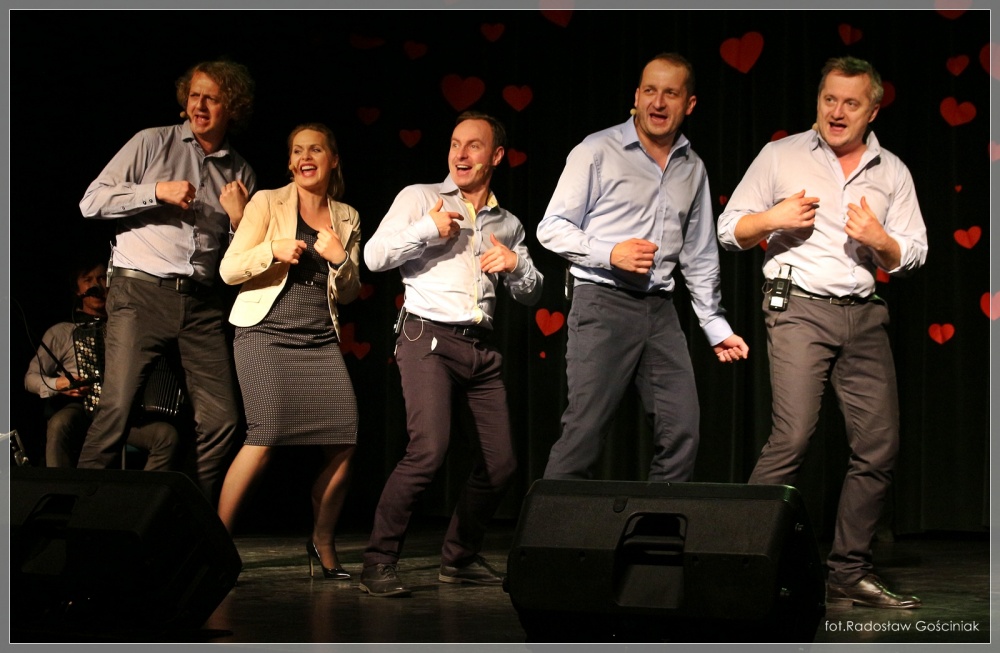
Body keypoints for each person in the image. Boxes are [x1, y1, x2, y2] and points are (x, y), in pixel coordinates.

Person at [717, 56, 927, 608]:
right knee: (793, 437)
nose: (837, 112)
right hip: (798, 309)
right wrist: (773, 219)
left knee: (879, 445)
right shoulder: (781, 155)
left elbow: (914, 253)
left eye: (850, 103)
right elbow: (728, 229)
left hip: (864, 313)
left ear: (872, 110)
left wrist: (882, 242)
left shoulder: (892, 171)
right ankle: (738, 561)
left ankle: (848, 571)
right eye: (829, 99)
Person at [537, 53, 748, 483]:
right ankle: (548, 528)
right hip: (601, 302)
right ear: (636, 96)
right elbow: (551, 227)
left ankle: (655, 524)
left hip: (660, 311)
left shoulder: (693, 168)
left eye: (670, 93)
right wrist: (610, 252)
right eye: (650, 90)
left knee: (682, 432)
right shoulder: (597, 150)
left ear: (689, 104)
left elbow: (700, 255)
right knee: (584, 434)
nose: (658, 102)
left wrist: (714, 324)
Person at [360, 111, 543, 597]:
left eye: (473, 145)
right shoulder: (421, 198)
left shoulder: (508, 223)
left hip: (480, 348)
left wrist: (516, 266)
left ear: (496, 156)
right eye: (455, 144)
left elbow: (532, 293)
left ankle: (458, 558)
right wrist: (426, 228)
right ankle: (378, 562)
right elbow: (373, 258)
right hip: (427, 338)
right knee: (428, 450)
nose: (460, 154)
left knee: (501, 465)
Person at [77, 59, 257, 502]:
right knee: (116, 408)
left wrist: (239, 220)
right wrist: (156, 191)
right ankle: (78, 513)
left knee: (221, 420)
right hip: (140, 293)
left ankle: (186, 515)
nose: (200, 105)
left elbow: (241, 260)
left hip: (201, 304)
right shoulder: (151, 142)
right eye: (194, 95)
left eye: (212, 98)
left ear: (232, 108)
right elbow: (91, 201)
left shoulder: (241, 172)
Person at [216, 123, 361, 581]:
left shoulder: (348, 217)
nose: (305, 157)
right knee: (265, 435)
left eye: (315, 149)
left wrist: (340, 258)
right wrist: (272, 250)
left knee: (344, 438)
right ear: (290, 162)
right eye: (297, 150)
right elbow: (228, 270)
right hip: (264, 332)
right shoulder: (266, 202)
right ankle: (214, 545)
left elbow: (351, 292)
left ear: (333, 159)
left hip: (319, 338)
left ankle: (322, 543)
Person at [24, 259, 178, 470]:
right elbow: (30, 379)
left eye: (101, 278)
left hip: (121, 415)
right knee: (60, 423)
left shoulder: (130, 329)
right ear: (77, 290)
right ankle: (61, 487)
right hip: (81, 412)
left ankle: (144, 492)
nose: (96, 285)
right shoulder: (62, 332)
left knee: (166, 436)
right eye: (87, 280)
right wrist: (59, 384)